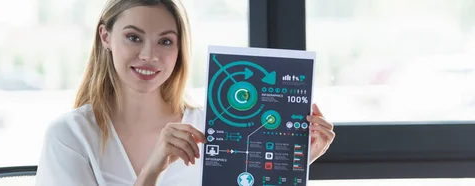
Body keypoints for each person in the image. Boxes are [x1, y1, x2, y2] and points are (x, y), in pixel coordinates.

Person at [35, 0, 336, 185]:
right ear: (105, 37)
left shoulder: (215, 127)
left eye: (165, 42)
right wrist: (152, 170)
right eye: (133, 37)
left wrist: (292, 164)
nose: (149, 55)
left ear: (180, 49)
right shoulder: (70, 135)